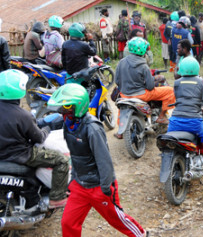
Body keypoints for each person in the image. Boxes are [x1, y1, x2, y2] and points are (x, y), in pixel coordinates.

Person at [47, 84, 146, 237]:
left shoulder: (92, 128)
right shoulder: (69, 124)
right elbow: (75, 155)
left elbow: (104, 160)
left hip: (99, 186)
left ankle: (142, 235)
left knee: (116, 220)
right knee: (68, 222)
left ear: (78, 106)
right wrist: (73, 180)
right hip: (80, 185)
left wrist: (106, 187)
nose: (63, 111)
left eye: (66, 106)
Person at [0, 69, 69, 209]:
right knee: (61, 160)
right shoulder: (23, 116)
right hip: (21, 155)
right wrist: (46, 129)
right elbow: (38, 137)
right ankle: (57, 197)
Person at [115, 37, 175, 128]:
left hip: (124, 95)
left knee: (123, 107)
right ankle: (162, 116)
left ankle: (120, 130)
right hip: (142, 95)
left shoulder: (121, 62)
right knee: (170, 91)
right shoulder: (143, 65)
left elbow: (117, 81)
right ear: (143, 51)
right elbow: (150, 86)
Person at [168, 57, 203, 167]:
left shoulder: (177, 83)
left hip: (175, 121)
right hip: (194, 122)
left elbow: (177, 96)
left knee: (168, 137)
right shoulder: (202, 83)